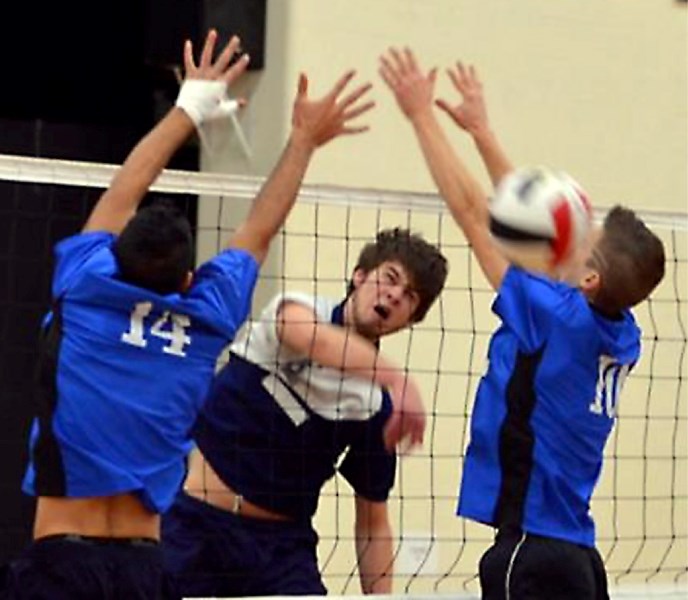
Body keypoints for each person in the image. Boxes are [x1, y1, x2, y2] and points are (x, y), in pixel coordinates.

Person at [2, 29, 376, 600]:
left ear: (114, 259)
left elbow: (124, 188)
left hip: (61, 565)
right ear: (187, 279)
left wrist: (189, 108)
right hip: (145, 569)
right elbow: (260, 227)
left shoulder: (85, 287)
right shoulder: (208, 316)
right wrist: (302, 139)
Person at [379, 49, 665, 600]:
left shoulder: (557, 319)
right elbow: (535, 232)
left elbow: (472, 213)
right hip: (577, 556)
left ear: (588, 280)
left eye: (589, 241)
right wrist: (483, 132)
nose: (575, 237)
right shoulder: (620, 332)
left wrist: (420, 115)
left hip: (531, 555)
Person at [161, 227, 448, 596]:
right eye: (389, 279)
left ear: (410, 319)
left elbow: (373, 521)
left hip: (279, 551)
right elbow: (307, 336)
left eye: (410, 297)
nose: (394, 295)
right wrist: (398, 378)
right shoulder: (298, 310)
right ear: (359, 276)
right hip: (194, 525)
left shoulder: (375, 405)